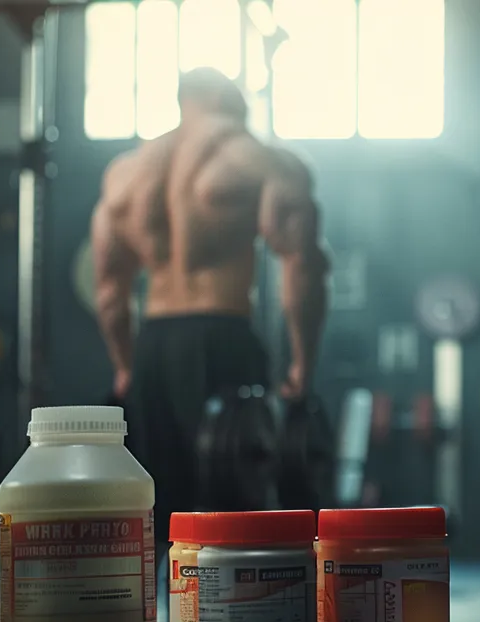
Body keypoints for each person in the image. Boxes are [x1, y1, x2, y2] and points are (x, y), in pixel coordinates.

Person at [91, 68, 329, 540]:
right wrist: (303, 362)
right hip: (224, 334)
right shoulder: (257, 159)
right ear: (230, 101)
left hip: (153, 346)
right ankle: (231, 609)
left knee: (161, 506)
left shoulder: (127, 173)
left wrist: (124, 365)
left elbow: (110, 292)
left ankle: (164, 609)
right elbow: (302, 264)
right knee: (235, 500)